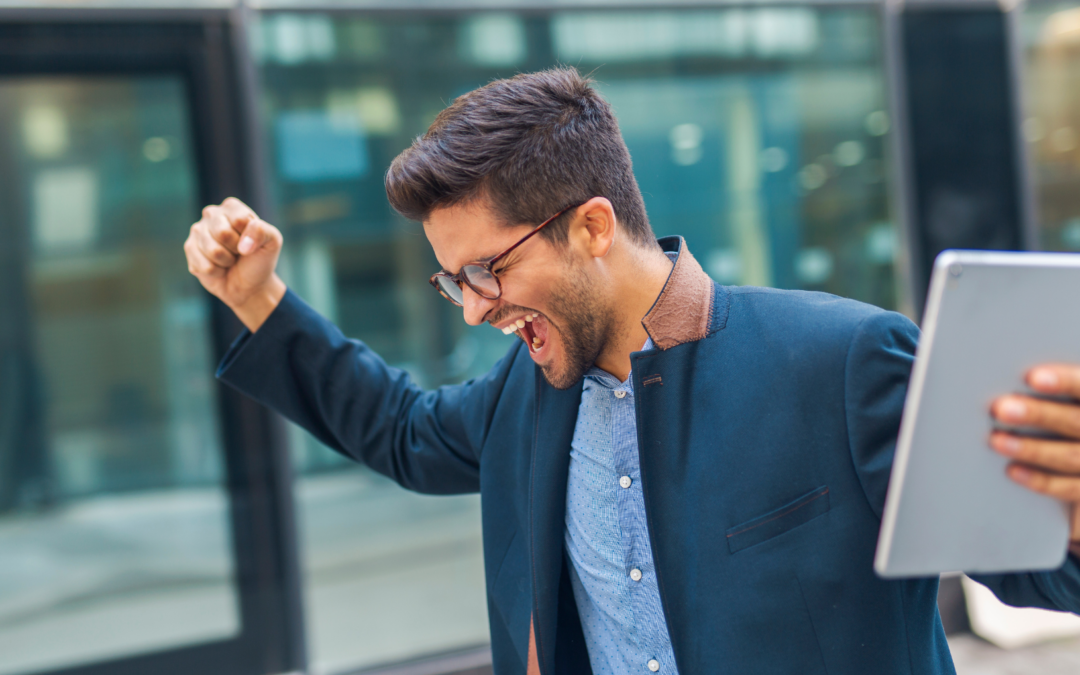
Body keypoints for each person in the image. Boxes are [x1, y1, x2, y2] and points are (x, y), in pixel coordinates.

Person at [184, 68, 1080, 675]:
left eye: (488, 271)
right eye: (452, 279)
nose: (473, 306)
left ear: (593, 226)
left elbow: (1033, 570)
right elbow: (401, 430)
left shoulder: (842, 361)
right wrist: (261, 299)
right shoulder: (523, 393)